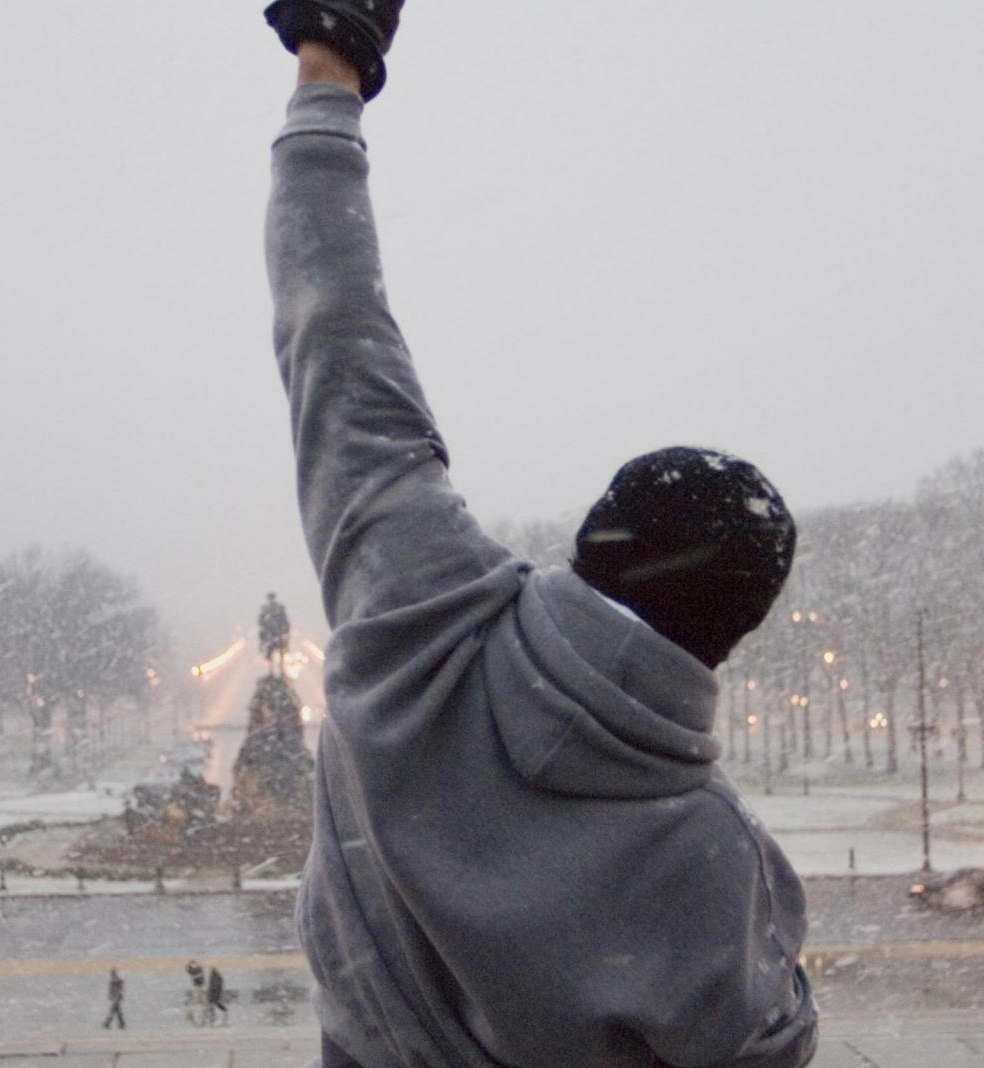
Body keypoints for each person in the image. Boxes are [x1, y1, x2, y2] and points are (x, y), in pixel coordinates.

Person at [260, 5, 816, 1065]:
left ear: (594, 534)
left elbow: (331, 327)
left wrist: (328, 72)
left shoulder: (419, 613)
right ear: (731, 634)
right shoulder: (716, 867)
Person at [185, 959, 208, 1026]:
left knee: (200, 999)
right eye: (193, 964)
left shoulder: (199, 969)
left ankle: (202, 1011)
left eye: (194, 964)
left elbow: (200, 976)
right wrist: (189, 965)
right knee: (197, 998)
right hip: (197, 985)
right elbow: (189, 971)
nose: (194, 965)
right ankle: (199, 1010)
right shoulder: (193, 970)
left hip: (199, 985)